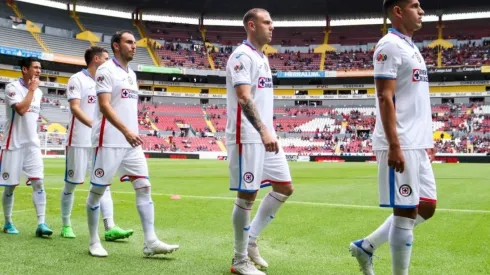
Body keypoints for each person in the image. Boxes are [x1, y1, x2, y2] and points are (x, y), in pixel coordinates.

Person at [349, 1, 437, 274]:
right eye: (415, 5)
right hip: (400, 141)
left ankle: (366, 246)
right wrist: (395, 145)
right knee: (406, 211)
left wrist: (428, 140)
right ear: (398, 11)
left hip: (417, 142)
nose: (422, 11)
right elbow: (385, 97)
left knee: (427, 206)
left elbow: (415, 99)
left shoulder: (411, 47)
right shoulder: (388, 45)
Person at [86, 30, 179, 257]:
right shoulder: (105, 70)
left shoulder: (131, 74)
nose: (134, 46)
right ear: (116, 45)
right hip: (108, 140)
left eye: (135, 43)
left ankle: (150, 241)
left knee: (144, 186)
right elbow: (105, 106)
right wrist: (127, 131)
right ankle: (93, 241)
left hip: (131, 142)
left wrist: (132, 133)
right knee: (98, 190)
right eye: (129, 42)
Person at [226, 8, 294, 275]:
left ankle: (251, 240)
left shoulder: (261, 58)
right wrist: (265, 130)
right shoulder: (241, 56)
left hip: (266, 134)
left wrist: (269, 131)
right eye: (267, 22)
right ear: (251, 26)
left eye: (272, 22)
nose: (272, 27)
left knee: (285, 187)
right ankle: (239, 260)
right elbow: (244, 97)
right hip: (248, 135)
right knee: (248, 194)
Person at [61, 46, 134, 240]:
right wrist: (94, 124)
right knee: (71, 184)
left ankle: (110, 227)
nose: (109, 60)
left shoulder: (108, 79)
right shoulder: (77, 79)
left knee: (103, 184)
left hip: (98, 141)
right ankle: (66, 223)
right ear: (95, 59)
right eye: (106, 57)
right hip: (78, 139)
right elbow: (75, 108)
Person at [1, 57, 53, 237]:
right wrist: (31, 90)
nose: (39, 71)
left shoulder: (38, 92)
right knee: (10, 187)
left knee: (38, 182)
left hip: (32, 145)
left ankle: (41, 223)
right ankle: (8, 222)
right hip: (13, 144)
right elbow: (21, 110)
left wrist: (33, 91)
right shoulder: (12, 88)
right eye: (35, 67)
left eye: (40, 68)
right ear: (24, 69)